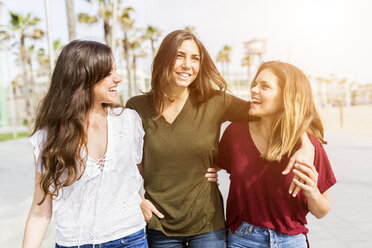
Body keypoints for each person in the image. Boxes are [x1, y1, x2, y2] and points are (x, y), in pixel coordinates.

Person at [126, 30, 314, 248]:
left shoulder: (214, 101)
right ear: (163, 59)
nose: (188, 65)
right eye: (179, 56)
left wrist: (305, 142)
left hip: (208, 226)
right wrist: (138, 199)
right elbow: (122, 162)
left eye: (195, 58)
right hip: (159, 226)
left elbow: (273, 108)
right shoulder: (137, 107)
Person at [23, 40, 148, 248]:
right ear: (82, 78)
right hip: (74, 243)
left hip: (130, 239)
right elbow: (39, 211)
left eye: (115, 70)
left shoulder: (128, 121)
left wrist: (143, 199)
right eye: (108, 73)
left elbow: (137, 175)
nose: (118, 78)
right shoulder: (47, 138)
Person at [217, 61, 337, 248]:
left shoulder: (309, 146)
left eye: (265, 86)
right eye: (254, 84)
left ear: (285, 97)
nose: (254, 90)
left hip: (292, 241)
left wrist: (312, 191)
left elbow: (321, 211)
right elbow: (208, 165)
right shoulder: (235, 134)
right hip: (242, 239)